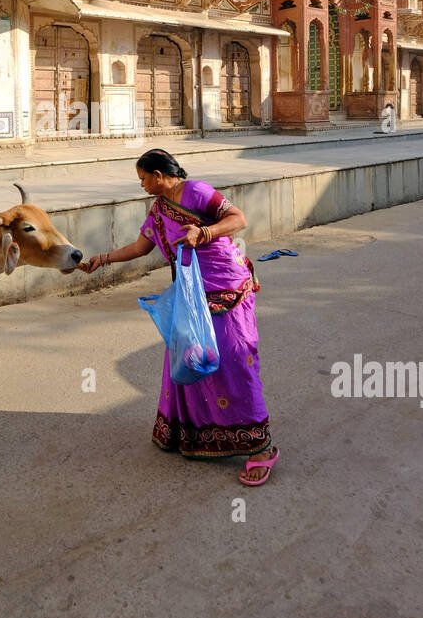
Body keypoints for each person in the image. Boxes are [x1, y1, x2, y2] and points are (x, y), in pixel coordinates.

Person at [85, 149, 278, 486]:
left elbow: (238, 219)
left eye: (144, 178)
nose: (142, 185)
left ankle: (261, 448)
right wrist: (101, 259)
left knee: (233, 360)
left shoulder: (197, 192)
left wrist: (202, 233)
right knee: (188, 358)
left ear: (159, 174)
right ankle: (192, 433)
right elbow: (139, 248)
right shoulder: (159, 210)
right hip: (191, 293)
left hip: (226, 287)